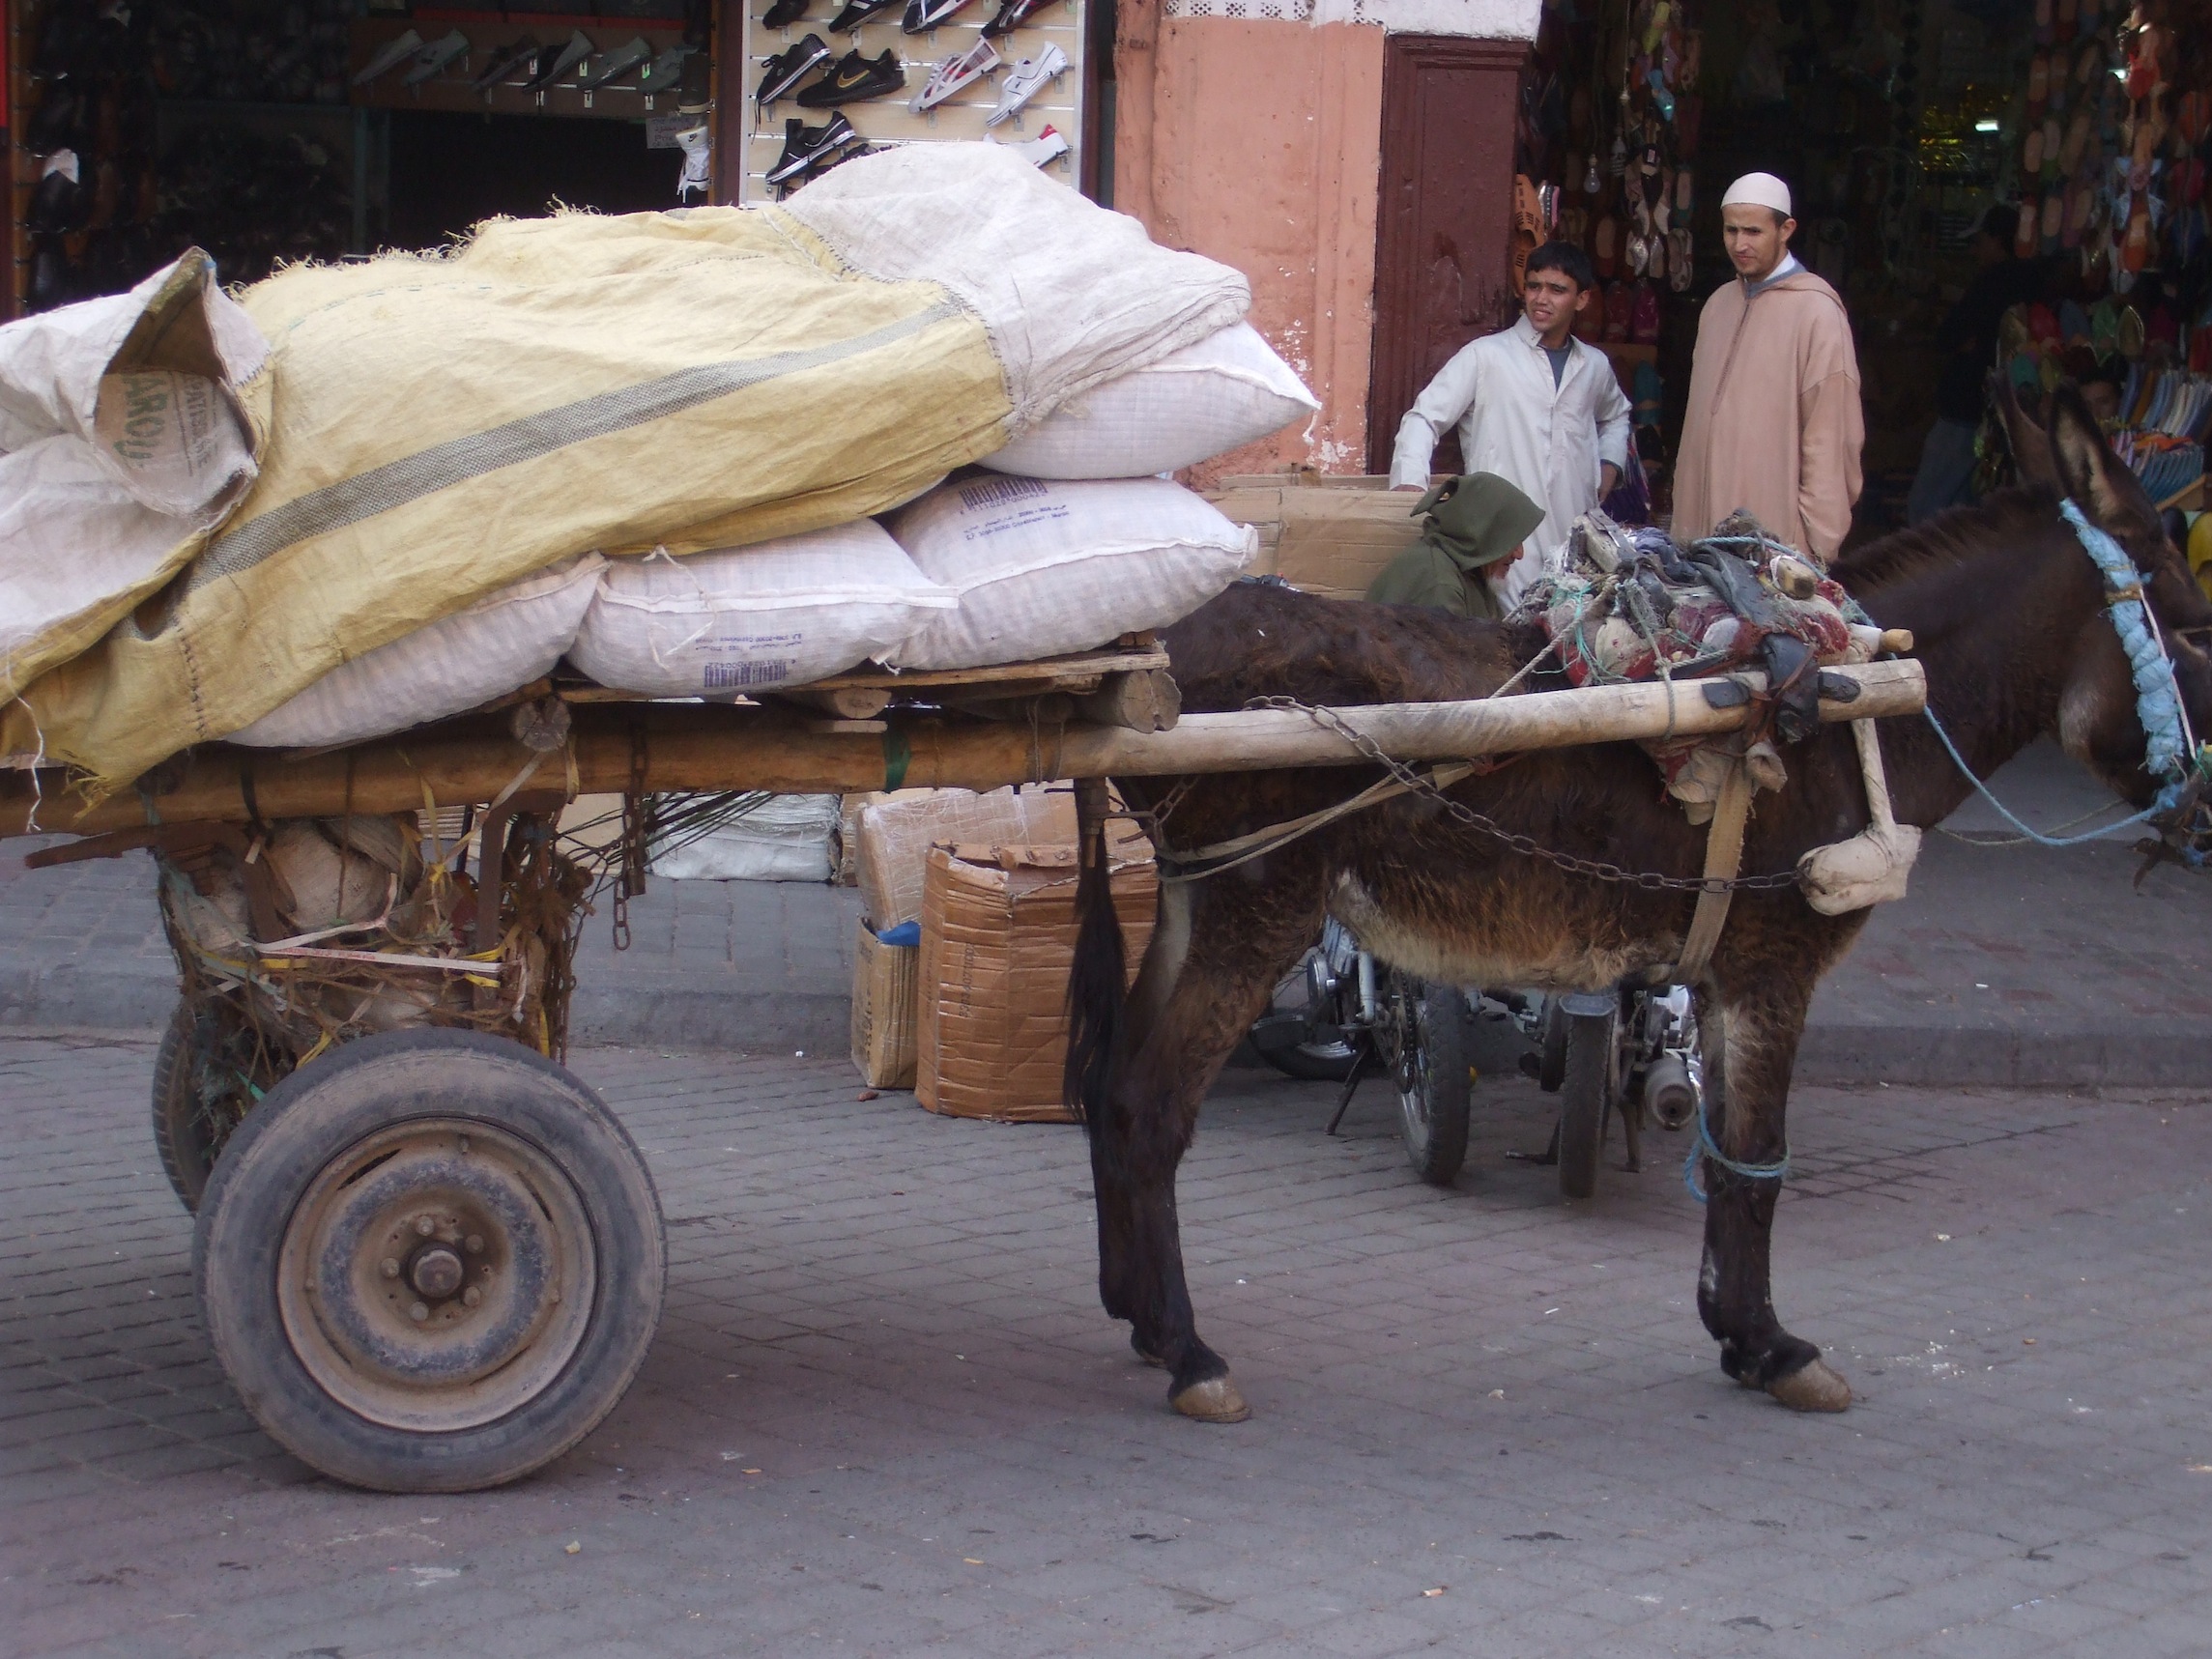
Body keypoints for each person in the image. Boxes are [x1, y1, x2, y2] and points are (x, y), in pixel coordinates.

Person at [1388, 242, 1632, 610]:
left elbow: (1617, 415)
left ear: (1581, 300)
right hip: (1500, 539)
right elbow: (1424, 418)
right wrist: (1410, 482)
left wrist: (1609, 467)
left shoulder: (1593, 366)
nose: (1541, 299)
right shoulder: (1487, 355)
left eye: (1557, 290)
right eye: (1534, 286)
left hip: (1573, 533)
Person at [1671, 172, 1864, 564]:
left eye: (1754, 232)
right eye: (1731, 230)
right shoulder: (1718, 306)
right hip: (1698, 540)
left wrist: (1813, 547)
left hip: (1773, 547)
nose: (1739, 244)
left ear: (1786, 229)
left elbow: (1831, 443)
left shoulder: (1817, 313)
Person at [1906, 203, 2042, 523]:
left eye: (1979, 242)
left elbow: (1951, 334)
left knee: (1926, 506)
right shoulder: (2028, 282)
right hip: (1989, 409)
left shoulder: (1993, 282)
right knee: (1964, 508)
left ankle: (1923, 568)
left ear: (1996, 241)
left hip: (1965, 408)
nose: (1975, 250)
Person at [1365, 472, 1547, 620]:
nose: (1519, 554)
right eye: (1512, 541)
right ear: (1484, 535)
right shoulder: (1440, 584)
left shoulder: (1475, 571)